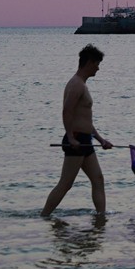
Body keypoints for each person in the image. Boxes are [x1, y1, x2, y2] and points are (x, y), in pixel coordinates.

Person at [41, 44, 114, 217]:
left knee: (98, 179)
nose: (98, 68)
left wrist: (100, 139)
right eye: (96, 63)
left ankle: (101, 217)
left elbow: (84, 119)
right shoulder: (76, 85)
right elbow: (67, 111)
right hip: (76, 140)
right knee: (66, 183)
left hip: (85, 140)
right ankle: (44, 216)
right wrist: (71, 137)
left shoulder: (82, 85)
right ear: (88, 62)